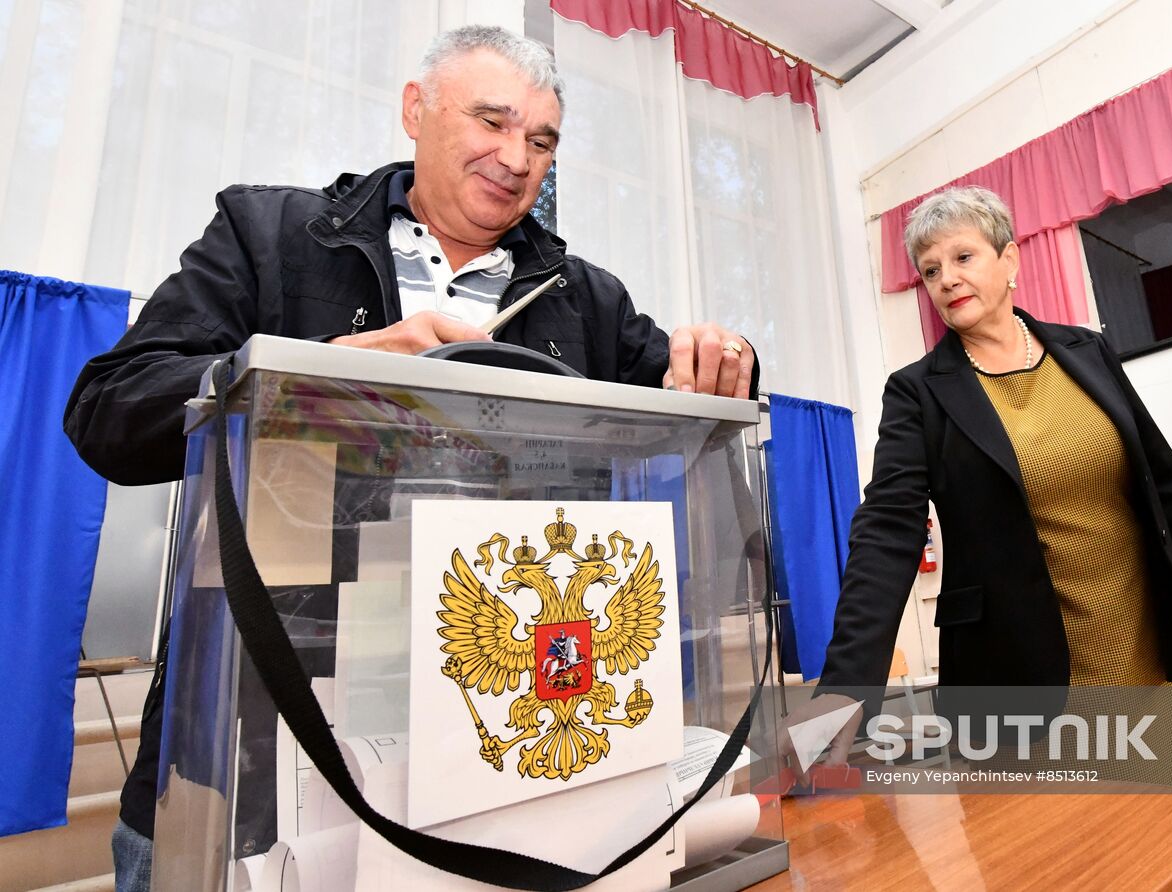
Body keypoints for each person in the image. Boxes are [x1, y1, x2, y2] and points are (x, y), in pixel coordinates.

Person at [64, 26, 757, 892]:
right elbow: (107, 410)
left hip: (507, 766)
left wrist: (729, 357)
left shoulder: (585, 299)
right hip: (255, 765)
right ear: (415, 111)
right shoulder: (271, 234)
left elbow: (701, 387)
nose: (516, 157)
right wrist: (323, 371)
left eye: (541, 141)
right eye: (492, 121)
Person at [799, 186, 1172, 890]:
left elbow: (1171, 503)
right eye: (930, 270)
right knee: (1074, 865)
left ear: (1010, 259)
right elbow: (885, 535)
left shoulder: (1087, 354)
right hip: (1021, 674)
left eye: (963, 256)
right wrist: (844, 694)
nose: (947, 279)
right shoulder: (920, 393)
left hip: (1148, 659)